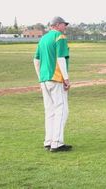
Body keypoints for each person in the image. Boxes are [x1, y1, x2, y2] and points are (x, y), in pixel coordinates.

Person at [33, 17, 72, 152]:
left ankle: (48, 141)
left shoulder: (43, 39)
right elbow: (60, 58)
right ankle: (57, 143)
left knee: (50, 111)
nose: (65, 27)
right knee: (62, 110)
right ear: (57, 25)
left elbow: (36, 60)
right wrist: (66, 79)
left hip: (44, 79)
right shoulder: (59, 37)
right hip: (56, 78)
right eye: (63, 24)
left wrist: (40, 78)